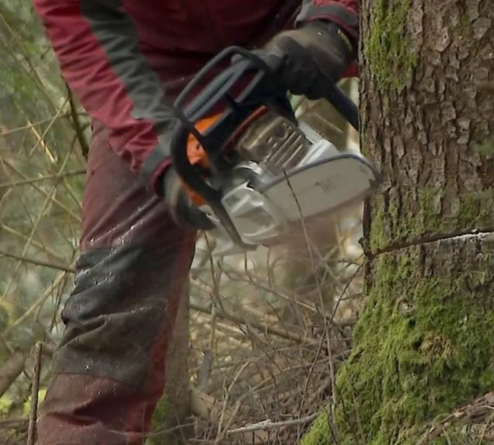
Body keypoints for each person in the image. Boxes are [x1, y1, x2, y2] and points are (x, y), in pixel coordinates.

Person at [30, 1, 358, 444]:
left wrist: (334, 18)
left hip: (290, 12)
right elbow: (84, 34)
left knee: (419, 70)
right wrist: (158, 161)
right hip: (154, 61)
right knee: (113, 291)